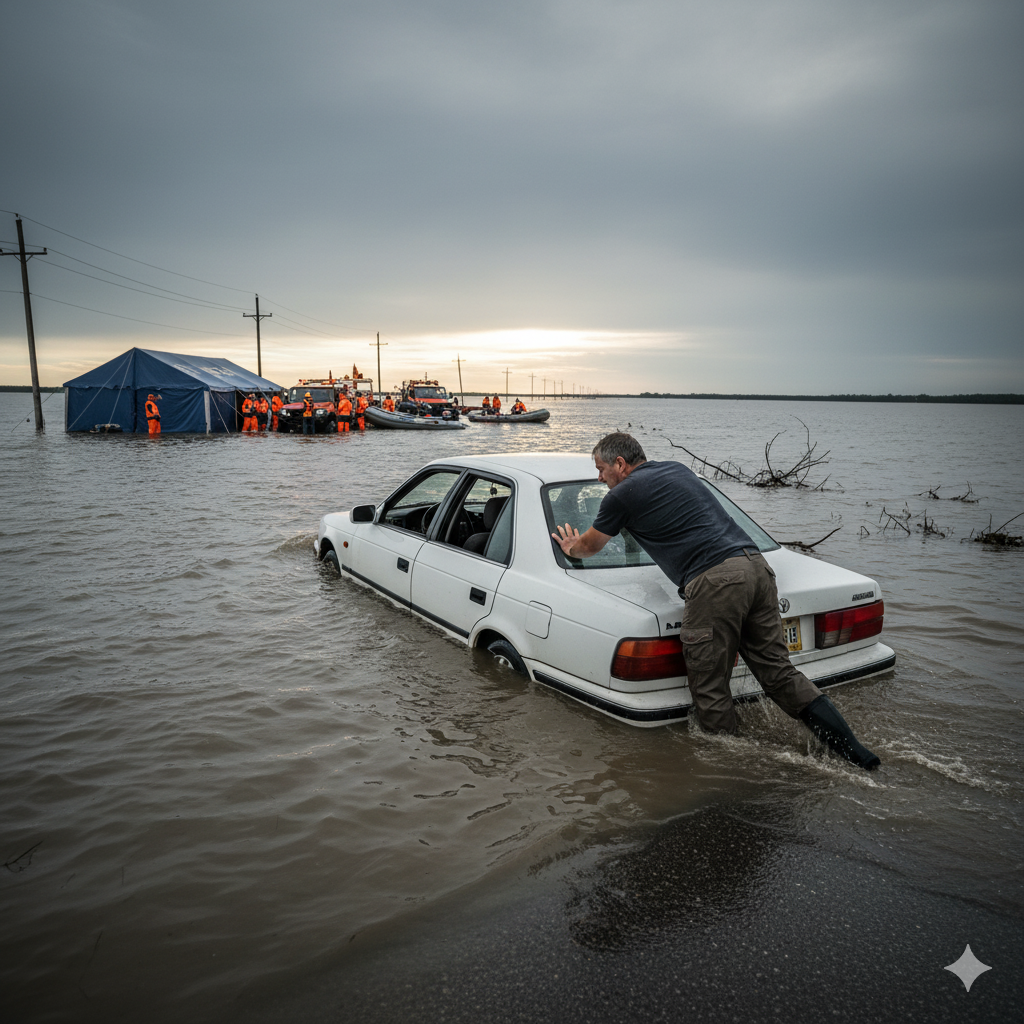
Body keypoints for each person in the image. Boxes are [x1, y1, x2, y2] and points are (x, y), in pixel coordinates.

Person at [550, 432, 880, 770]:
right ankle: (857, 754)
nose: (600, 477)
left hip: (715, 582)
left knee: (710, 688)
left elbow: (589, 547)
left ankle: (727, 777)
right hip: (757, 568)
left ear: (621, 464)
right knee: (780, 674)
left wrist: (569, 546)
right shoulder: (677, 470)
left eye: (602, 469)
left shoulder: (621, 495)